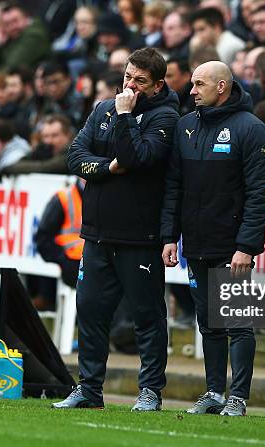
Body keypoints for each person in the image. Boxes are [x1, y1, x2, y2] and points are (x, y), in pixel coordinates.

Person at [54, 48, 179, 411]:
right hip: (96, 233)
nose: (130, 86)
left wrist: (125, 118)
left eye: (139, 81)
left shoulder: (167, 118)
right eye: (127, 77)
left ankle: (150, 391)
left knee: (147, 317)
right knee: (91, 312)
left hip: (140, 237)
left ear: (157, 85)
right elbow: (75, 156)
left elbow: (136, 157)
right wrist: (106, 169)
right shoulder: (102, 110)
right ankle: (88, 390)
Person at [161, 61, 265, 416]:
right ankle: (213, 392)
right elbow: (174, 187)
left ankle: (238, 398)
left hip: (232, 246)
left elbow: (260, 194)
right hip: (195, 243)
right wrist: (169, 237)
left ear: (221, 86)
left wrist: (246, 247)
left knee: (237, 322)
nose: (191, 91)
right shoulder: (186, 127)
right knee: (208, 323)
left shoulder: (252, 129)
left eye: (198, 84)